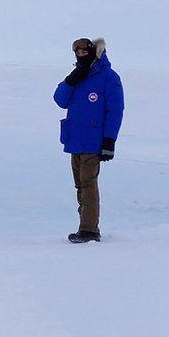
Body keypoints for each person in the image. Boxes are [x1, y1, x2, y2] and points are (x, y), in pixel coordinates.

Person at [53, 38, 125, 243]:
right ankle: (85, 226)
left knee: (88, 184)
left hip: (94, 140)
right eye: (77, 51)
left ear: (93, 51)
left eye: (85, 51)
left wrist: (109, 141)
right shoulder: (78, 75)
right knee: (80, 185)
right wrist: (70, 80)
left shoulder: (108, 77)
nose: (81, 54)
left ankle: (89, 230)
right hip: (75, 139)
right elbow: (60, 100)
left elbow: (115, 111)